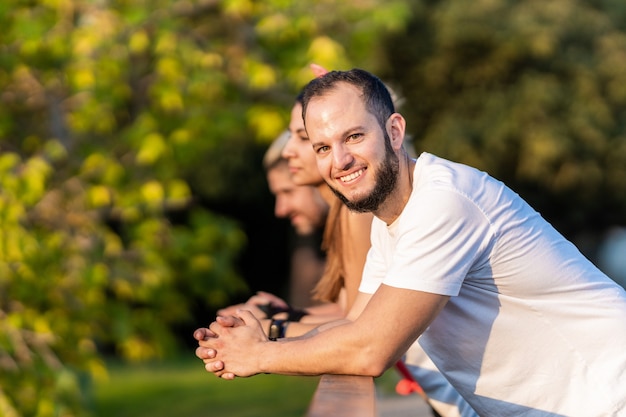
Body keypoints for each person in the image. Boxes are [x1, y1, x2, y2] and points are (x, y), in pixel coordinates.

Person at [195, 68, 626, 415]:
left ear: (394, 131)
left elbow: (370, 350)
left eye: (354, 136)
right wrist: (265, 337)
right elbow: (355, 325)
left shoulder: (444, 202)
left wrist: (259, 356)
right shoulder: (390, 219)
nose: (339, 160)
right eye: (322, 147)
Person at [263, 130, 328, 307]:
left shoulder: (363, 222)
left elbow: (358, 323)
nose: (280, 210)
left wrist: (274, 324)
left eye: (288, 191)